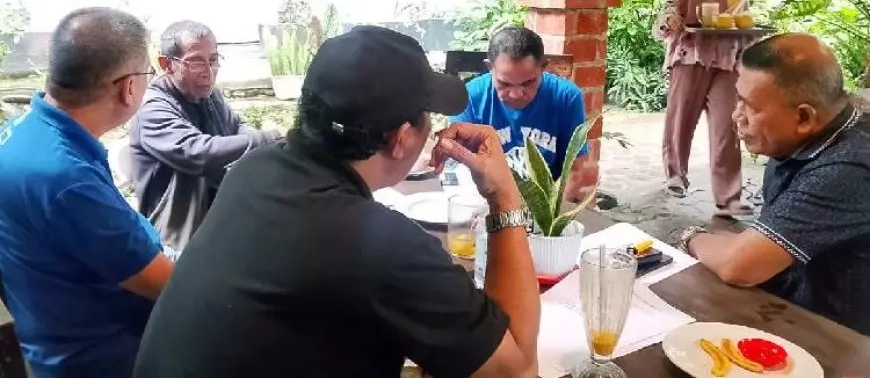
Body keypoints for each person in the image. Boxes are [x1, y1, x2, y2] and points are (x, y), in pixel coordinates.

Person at [134, 26, 540, 377]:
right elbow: (516, 369)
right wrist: (503, 194)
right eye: (427, 115)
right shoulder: (380, 245)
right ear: (401, 139)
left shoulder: (254, 171)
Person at [0, 8, 175, 378]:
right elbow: (169, 286)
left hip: (50, 342)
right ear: (129, 88)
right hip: (100, 358)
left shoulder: (24, 130)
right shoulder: (66, 178)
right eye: (148, 74)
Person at [678, 33, 870, 335]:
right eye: (738, 99)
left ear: (804, 117)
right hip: (793, 306)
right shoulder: (806, 135)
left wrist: (690, 236)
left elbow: (739, 266)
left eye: (749, 106)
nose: (736, 116)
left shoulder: (848, 167)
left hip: (840, 339)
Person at [129, 21, 282, 250]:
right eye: (196, 61)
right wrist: (269, 138)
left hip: (218, 219)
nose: (208, 72)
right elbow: (198, 153)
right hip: (176, 238)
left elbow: (237, 126)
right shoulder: (153, 108)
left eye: (213, 60)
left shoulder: (208, 95)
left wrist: (258, 140)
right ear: (166, 64)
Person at [655, 0, 751, 216]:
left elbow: (744, 25)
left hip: (726, 62)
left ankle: (729, 198)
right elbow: (665, 17)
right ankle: (675, 174)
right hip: (691, 58)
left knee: (727, 127)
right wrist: (671, 19)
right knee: (681, 119)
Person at [452, 26, 588, 196]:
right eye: (504, 84)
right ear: (490, 67)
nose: (516, 95)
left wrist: (551, 211)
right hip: (487, 199)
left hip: (547, 204)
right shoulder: (470, 97)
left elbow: (576, 171)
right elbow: (463, 167)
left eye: (528, 83)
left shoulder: (566, 97)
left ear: (543, 67)